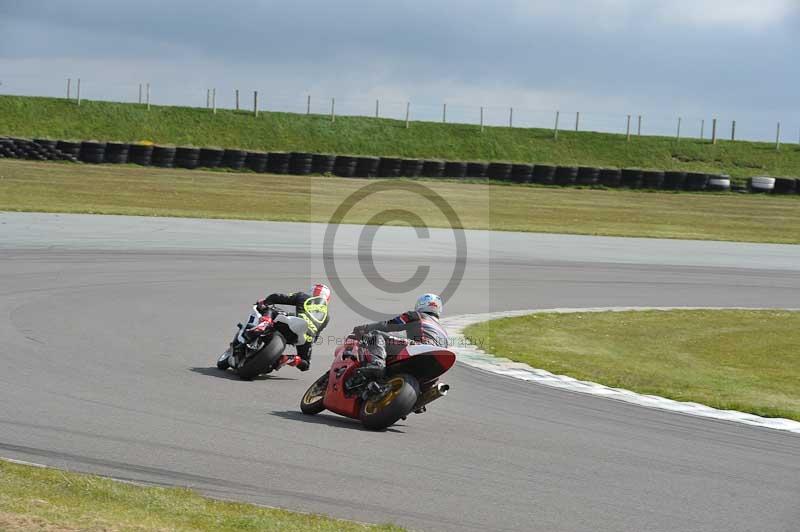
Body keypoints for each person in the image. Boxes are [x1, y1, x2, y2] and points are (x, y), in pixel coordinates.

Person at [350, 293, 447, 382]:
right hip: (435, 366)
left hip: (420, 347)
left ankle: (377, 364)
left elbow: (388, 325)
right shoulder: (444, 331)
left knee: (376, 335)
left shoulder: (415, 315)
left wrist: (363, 329)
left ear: (421, 304)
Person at [253, 283, 331, 371]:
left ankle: (265, 323)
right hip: (307, 336)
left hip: (294, 323)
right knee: (305, 364)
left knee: (270, 310)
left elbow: (277, 297)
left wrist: (265, 302)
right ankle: (291, 359)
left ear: (311, 292)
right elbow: (316, 336)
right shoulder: (327, 317)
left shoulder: (303, 296)